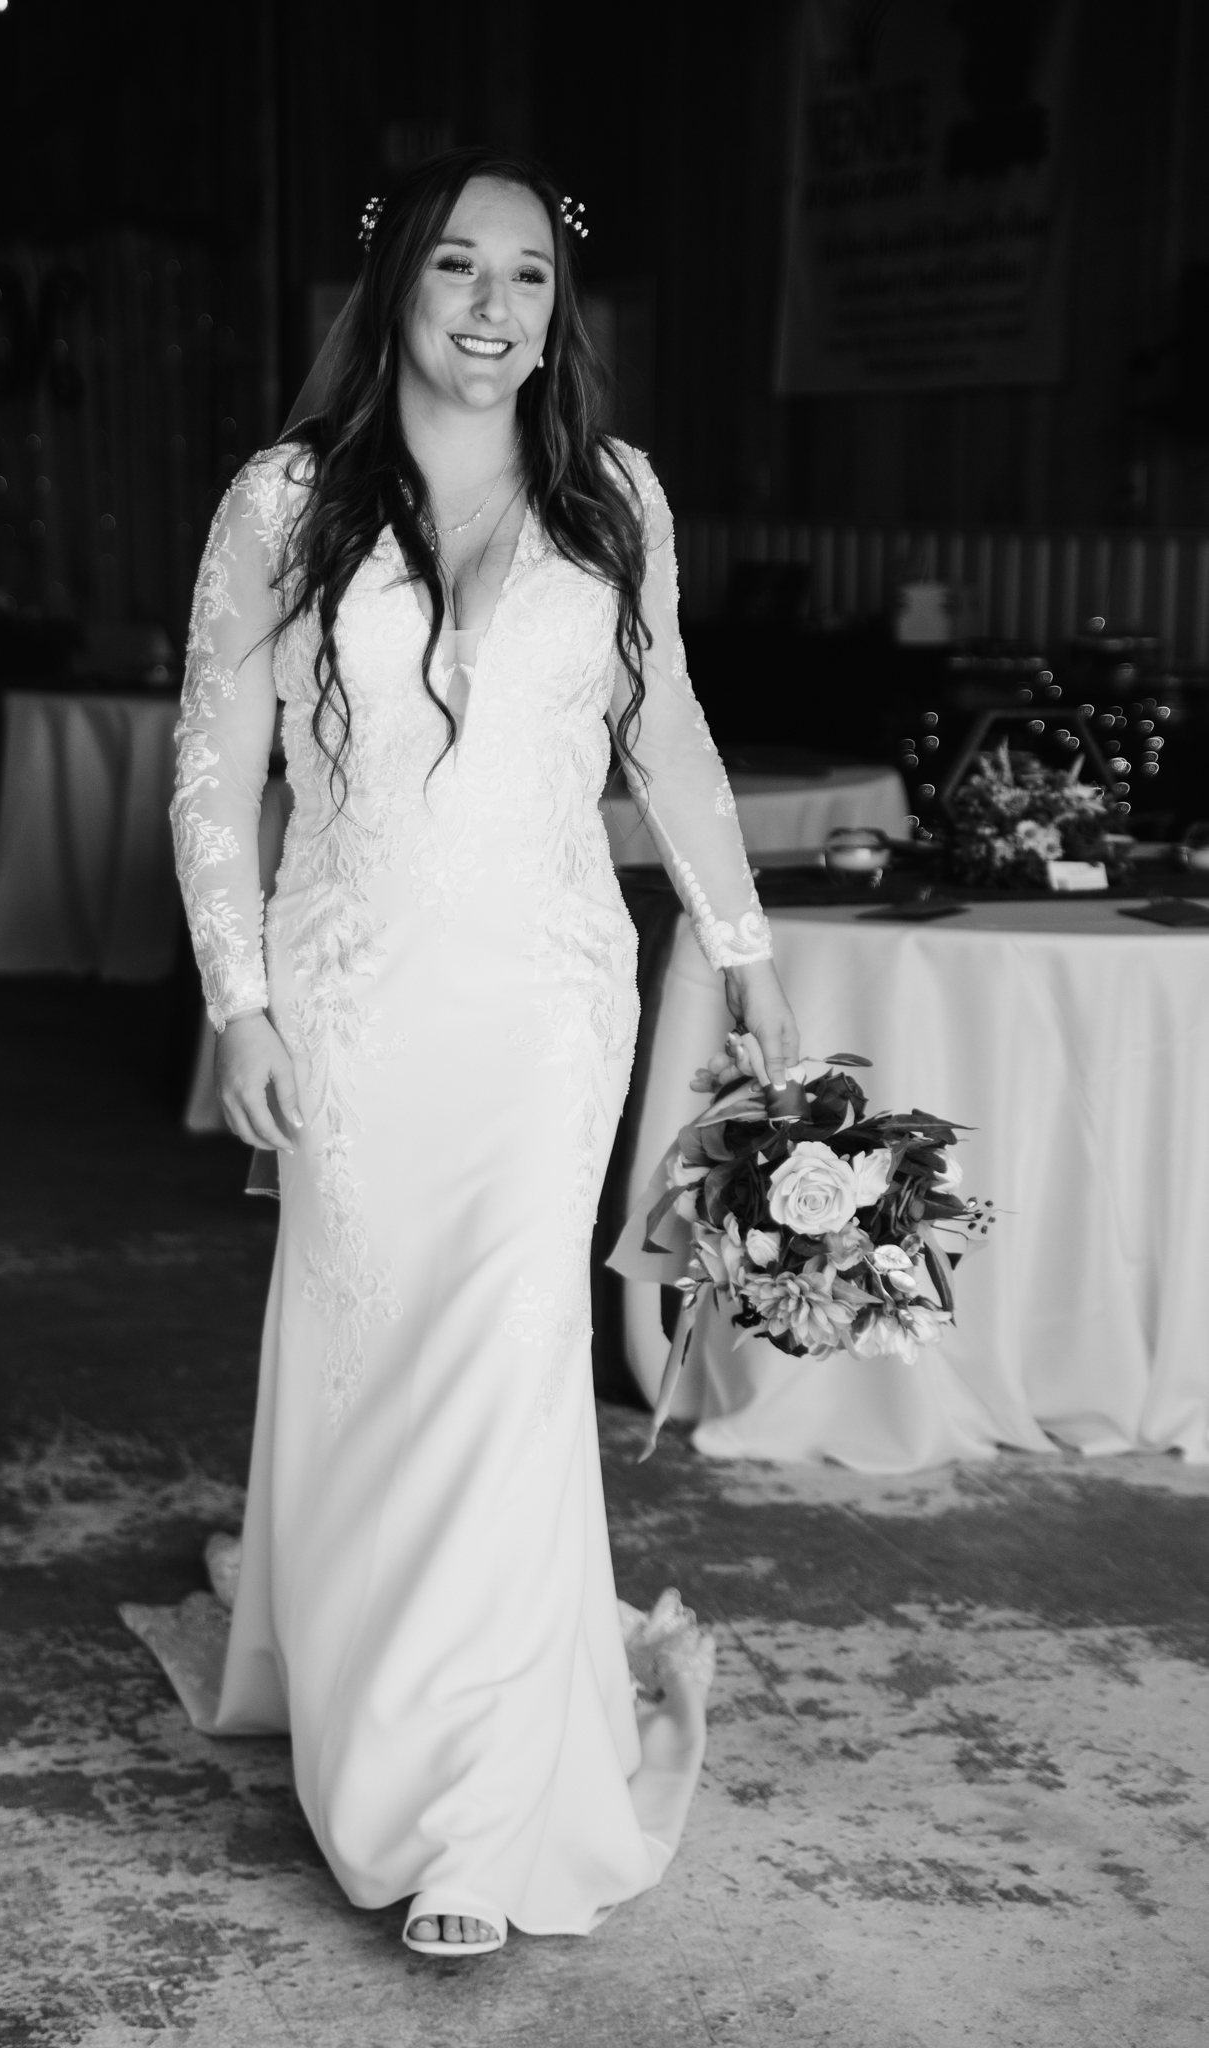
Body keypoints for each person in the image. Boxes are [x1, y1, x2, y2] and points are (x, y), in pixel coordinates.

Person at [166, 146, 799, 1956]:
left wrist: (744, 952)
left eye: (526, 275)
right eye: (457, 267)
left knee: (507, 1369)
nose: (492, 306)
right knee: (374, 1355)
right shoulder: (285, 498)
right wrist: (239, 1001)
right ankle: (365, 1677)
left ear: (556, 307)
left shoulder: (615, 494)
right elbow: (214, 763)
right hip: (352, 993)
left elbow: (666, 735)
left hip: (545, 1000)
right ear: (396, 289)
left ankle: (472, 1813)